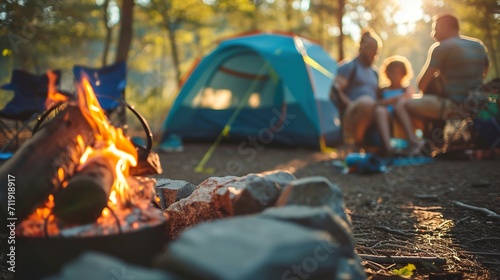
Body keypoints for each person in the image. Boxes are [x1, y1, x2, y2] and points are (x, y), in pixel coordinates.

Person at [405, 13, 489, 123]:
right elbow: (485, 71)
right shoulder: (478, 45)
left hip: (454, 106)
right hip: (479, 104)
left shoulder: (441, 48)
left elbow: (422, 85)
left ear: (445, 27)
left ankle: (424, 138)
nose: (433, 35)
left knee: (405, 104)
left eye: (435, 29)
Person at [332, 28, 396, 156]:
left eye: (377, 51)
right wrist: (349, 104)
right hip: (353, 111)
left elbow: (377, 96)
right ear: (362, 46)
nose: (374, 54)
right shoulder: (350, 66)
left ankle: (388, 149)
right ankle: (357, 143)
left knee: (381, 110)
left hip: (371, 111)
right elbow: (335, 88)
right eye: (372, 49)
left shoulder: (374, 72)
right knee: (367, 102)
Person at [376, 55, 424, 153]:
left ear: (404, 74)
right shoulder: (382, 90)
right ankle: (388, 148)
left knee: (400, 105)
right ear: (387, 73)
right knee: (380, 110)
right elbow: (377, 103)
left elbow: (407, 97)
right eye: (392, 72)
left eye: (399, 73)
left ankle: (413, 141)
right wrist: (396, 98)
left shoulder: (407, 88)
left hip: (402, 116)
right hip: (387, 117)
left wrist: (390, 101)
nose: (395, 76)